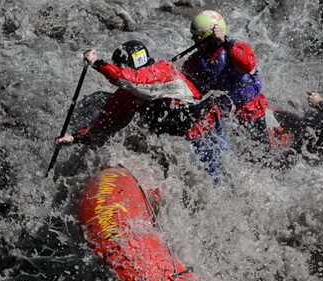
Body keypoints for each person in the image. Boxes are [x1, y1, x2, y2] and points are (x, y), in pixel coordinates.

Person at [54, 40, 226, 183]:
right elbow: (107, 122)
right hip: (177, 136)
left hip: (203, 133)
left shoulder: (161, 70)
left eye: (121, 67)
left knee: (213, 182)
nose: (120, 70)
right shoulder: (128, 93)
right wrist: (76, 137)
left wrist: (98, 64)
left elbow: (135, 81)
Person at [181, 10, 288, 151]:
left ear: (209, 37)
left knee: (264, 155)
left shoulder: (235, 50)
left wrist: (225, 42)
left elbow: (248, 63)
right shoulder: (195, 61)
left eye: (197, 37)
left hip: (251, 113)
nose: (193, 40)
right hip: (225, 117)